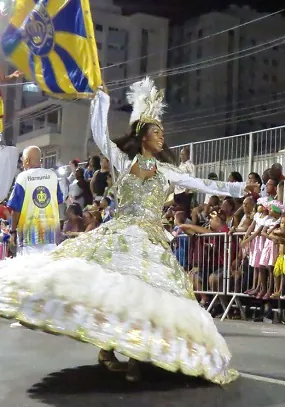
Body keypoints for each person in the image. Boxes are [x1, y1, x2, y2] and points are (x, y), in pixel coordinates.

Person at [0, 78, 253, 384]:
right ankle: (107, 351)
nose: (162, 138)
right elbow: (100, 135)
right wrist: (102, 101)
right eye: (156, 132)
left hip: (150, 240)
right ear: (143, 135)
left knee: (143, 297)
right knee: (114, 293)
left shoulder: (168, 171)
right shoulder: (123, 161)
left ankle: (135, 355)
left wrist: (241, 188)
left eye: (162, 133)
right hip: (120, 235)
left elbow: (207, 185)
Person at [6, 145, 64, 255]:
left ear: (27, 160)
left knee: (30, 270)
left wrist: (13, 231)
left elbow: (15, 209)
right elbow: (58, 203)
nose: (22, 163)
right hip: (51, 236)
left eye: (22, 160)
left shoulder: (23, 177)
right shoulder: (52, 176)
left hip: (29, 238)